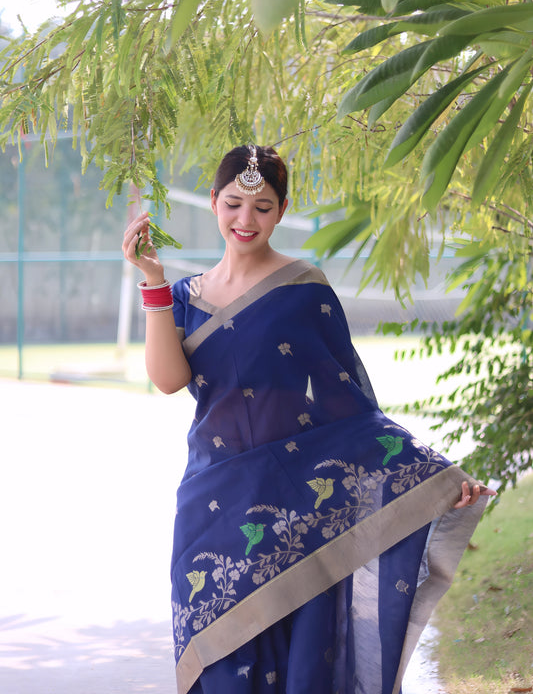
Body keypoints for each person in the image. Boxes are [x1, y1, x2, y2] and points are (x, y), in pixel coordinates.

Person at [122, 144, 494, 694]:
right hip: (213, 504)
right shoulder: (181, 296)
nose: (245, 220)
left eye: (263, 207)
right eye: (232, 204)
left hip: (299, 507)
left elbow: (354, 410)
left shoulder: (302, 288)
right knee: (218, 657)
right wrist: (152, 278)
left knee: (303, 658)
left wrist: (435, 477)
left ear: (282, 208)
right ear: (213, 202)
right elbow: (169, 379)